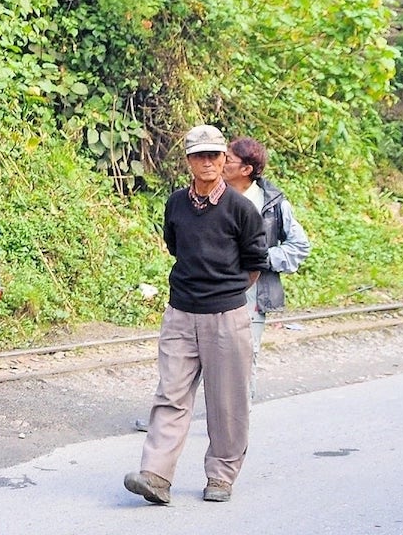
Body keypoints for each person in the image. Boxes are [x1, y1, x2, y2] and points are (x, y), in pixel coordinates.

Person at [124, 124, 269, 506]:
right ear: (188, 161)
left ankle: (221, 476)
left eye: (214, 155)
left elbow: (255, 262)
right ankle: (155, 474)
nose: (207, 162)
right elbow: (176, 247)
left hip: (226, 315)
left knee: (226, 401)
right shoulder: (175, 204)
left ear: (224, 159)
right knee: (170, 393)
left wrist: (227, 292)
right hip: (180, 313)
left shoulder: (241, 209)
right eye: (199, 156)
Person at [223, 136, 311, 378]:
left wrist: (260, 257)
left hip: (251, 300)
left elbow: (299, 246)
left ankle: (241, 416)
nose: (220, 163)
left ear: (246, 169)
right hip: (213, 295)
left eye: (228, 160)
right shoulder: (213, 196)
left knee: (242, 368)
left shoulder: (272, 204)